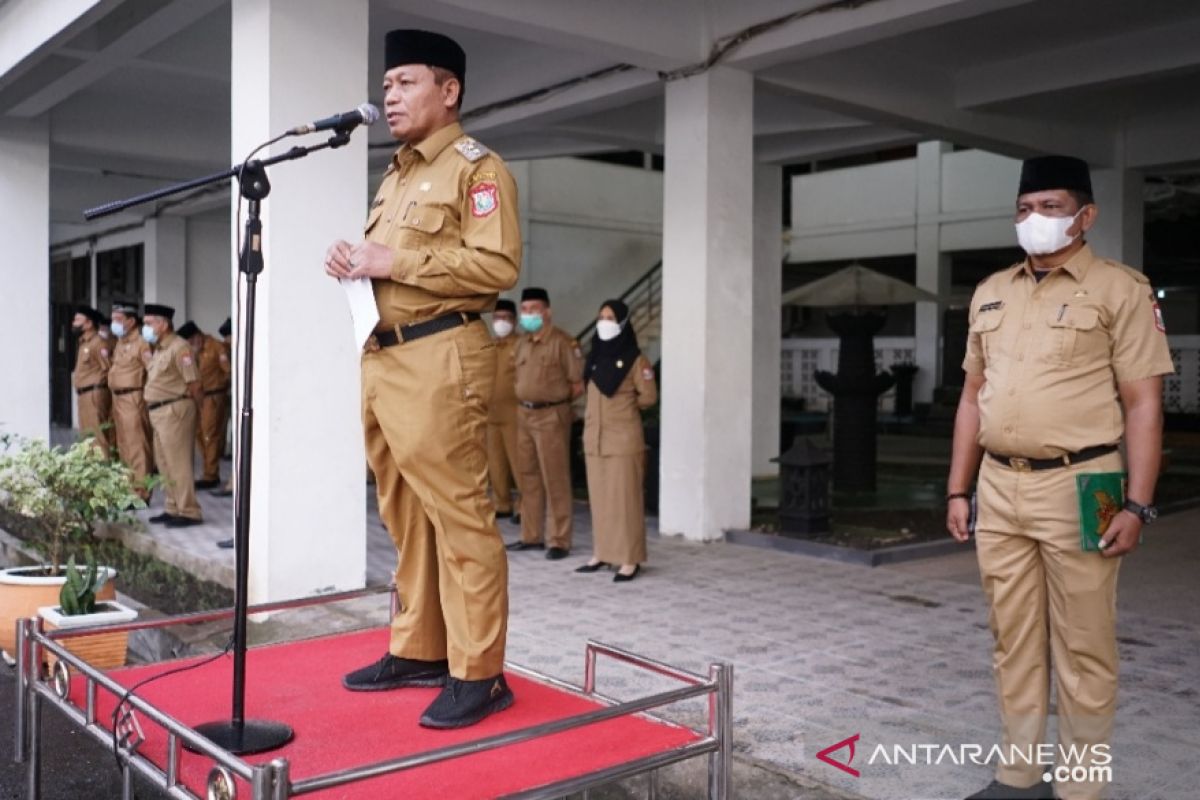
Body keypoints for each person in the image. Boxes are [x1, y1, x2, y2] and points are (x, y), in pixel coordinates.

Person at [946, 156, 1174, 800]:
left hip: (1088, 483)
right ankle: (1018, 775)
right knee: (1011, 636)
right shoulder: (992, 290)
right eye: (1024, 209)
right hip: (999, 485)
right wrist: (957, 488)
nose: (1034, 220)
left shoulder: (1120, 290)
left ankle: (1079, 786)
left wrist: (1137, 504)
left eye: (1049, 207)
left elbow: (1143, 405)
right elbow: (971, 397)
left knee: (1084, 642)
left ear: (1085, 215)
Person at [322, 28, 521, 729]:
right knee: (404, 515)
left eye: (404, 83)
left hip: (441, 359)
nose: (390, 96)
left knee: (461, 517)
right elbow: (389, 256)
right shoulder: (398, 172)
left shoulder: (478, 169)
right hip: (383, 356)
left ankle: (480, 671)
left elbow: (497, 270)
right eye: (386, 86)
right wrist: (356, 259)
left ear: (449, 90)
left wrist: (392, 263)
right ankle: (420, 648)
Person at [577, 301, 657, 582]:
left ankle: (629, 558)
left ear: (622, 322)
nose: (604, 322)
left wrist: (625, 407)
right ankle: (603, 552)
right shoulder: (595, 356)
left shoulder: (636, 360)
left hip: (623, 440)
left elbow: (648, 396)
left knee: (625, 502)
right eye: (601, 316)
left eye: (610, 317)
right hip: (595, 440)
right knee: (600, 502)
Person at [508, 287, 584, 560]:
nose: (528, 315)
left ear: (547, 312)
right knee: (528, 477)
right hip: (524, 415)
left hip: (551, 416)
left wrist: (555, 403)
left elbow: (577, 384)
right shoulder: (523, 343)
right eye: (525, 310)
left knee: (555, 478)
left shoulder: (563, 342)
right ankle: (531, 536)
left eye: (534, 310)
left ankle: (559, 540)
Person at [142, 304, 204, 528]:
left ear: (163, 324)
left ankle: (189, 510)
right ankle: (172, 506)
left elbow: (194, 383)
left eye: (149, 323)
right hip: (158, 412)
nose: (145, 328)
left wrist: (197, 410)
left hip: (175, 410)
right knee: (163, 462)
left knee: (178, 463)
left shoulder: (180, 347)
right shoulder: (159, 348)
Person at [107, 301, 154, 501]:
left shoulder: (142, 343)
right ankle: (129, 491)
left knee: (137, 447)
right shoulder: (121, 342)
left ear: (131, 321)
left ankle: (141, 493)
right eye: (113, 320)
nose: (114, 324)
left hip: (134, 397)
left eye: (118, 320)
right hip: (118, 399)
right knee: (124, 447)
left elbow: (152, 371)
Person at [177, 321, 230, 490]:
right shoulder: (190, 352)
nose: (193, 344)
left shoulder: (217, 347)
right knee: (200, 435)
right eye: (189, 342)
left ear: (199, 334)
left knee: (210, 435)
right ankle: (208, 470)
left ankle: (211, 474)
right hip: (197, 397)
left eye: (194, 340)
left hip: (213, 397)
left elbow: (228, 372)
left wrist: (221, 389)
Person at [486, 298, 521, 520]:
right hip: (490, 412)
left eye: (507, 318)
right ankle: (502, 503)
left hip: (515, 413)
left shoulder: (521, 345)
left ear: (515, 321)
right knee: (495, 463)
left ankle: (525, 505)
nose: (502, 322)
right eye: (498, 318)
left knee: (519, 463)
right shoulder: (488, 344)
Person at [71, 305, 113, 456]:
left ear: (88, 323)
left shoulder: (98, 343)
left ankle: (103, 474)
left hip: (94, 394)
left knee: (98, 439)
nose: (73, 323)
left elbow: (109, 369)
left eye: (77, 320)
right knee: (87, 439)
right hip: (84, 395)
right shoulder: (84, 343)